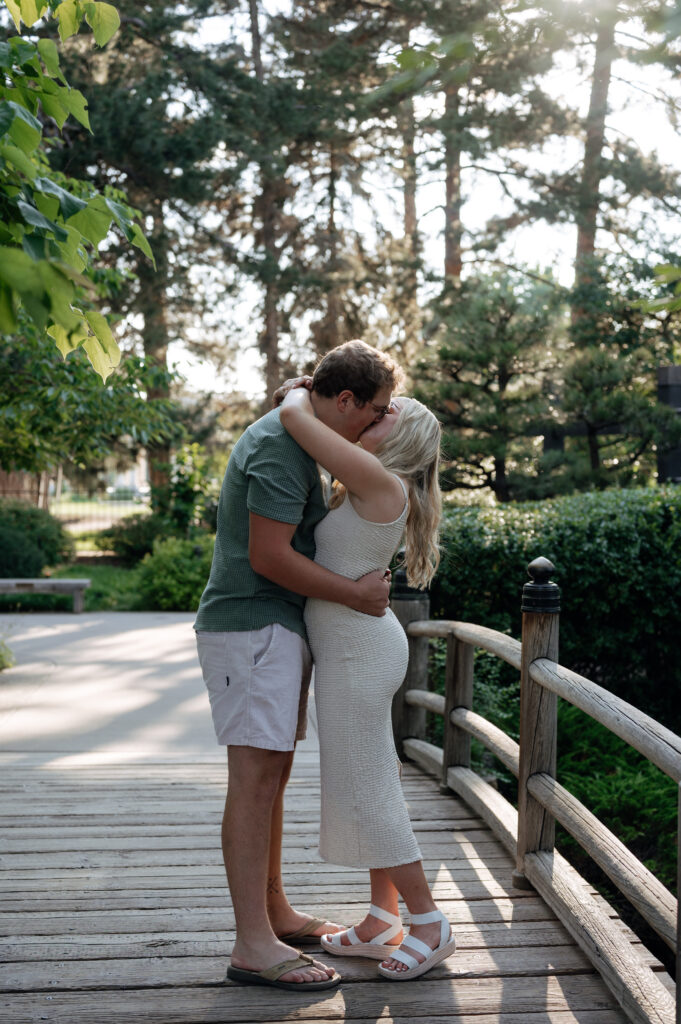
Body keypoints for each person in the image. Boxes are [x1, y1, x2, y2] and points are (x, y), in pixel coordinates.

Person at [193, 340, 403, 992]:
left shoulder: (297, 435)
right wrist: (356, 595)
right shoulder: (281, 450)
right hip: (252, 627)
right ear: (342, 399)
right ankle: (252, 944)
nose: (371, 426)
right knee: (255, 780)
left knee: (273, 777)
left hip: (270, 630)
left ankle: (273, 914)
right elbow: (269, 557)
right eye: (370, 413)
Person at [278, 386, 456, 981]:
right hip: (351, 652)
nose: (375, 416)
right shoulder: (366, 486)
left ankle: (428, 923)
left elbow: (297, 421)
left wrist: (302, 392)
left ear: (402, 438)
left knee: (369, 789)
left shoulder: (384, 486)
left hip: (358, 654)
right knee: (371, 780)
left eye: (387, 414)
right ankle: (383, 916)